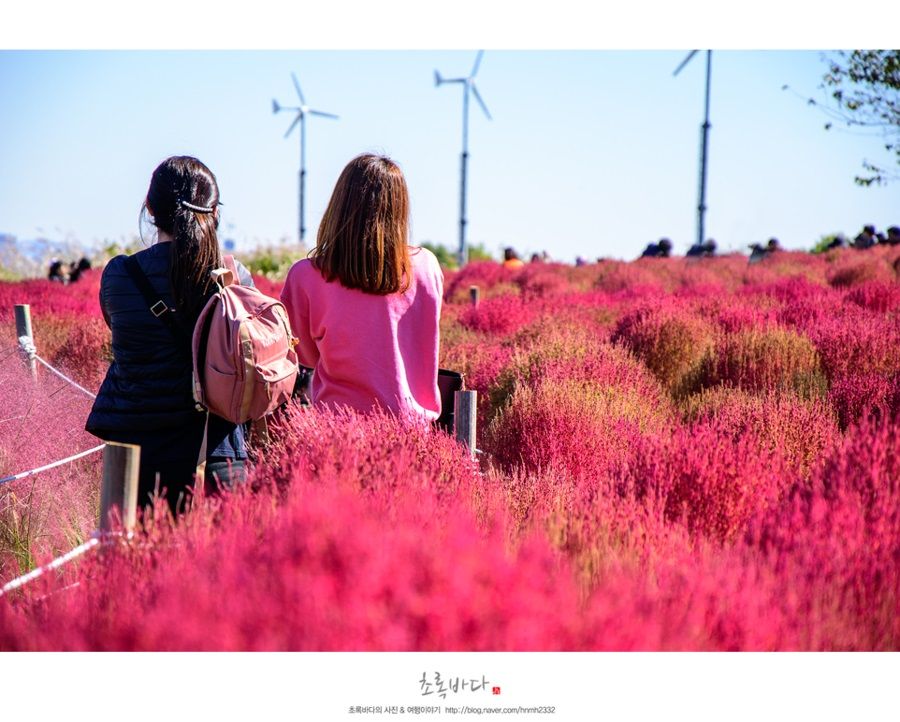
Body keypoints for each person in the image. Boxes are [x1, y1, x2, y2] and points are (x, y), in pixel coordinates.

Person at [86, 156, 254, 515]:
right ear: (214, 212)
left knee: (136, 551)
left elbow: (119, 329)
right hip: (215, 453)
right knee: (218, 553)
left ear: (150, 209)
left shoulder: (120, 275)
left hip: (136, 459)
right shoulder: (233, 277)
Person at [280, 153, 442, 424]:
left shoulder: (305, 276)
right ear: (400, 207)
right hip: (412, 431)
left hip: (338, 430)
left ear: (339, 205)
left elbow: (303, 355)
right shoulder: (427, 266)